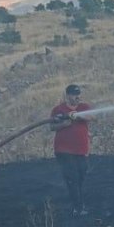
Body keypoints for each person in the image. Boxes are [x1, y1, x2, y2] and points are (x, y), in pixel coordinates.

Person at [50, 84, 94, 215]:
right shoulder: (58, 109)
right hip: (64, 150)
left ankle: (78, 204)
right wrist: (64, 124)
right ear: (68, 95)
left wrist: (78, 115)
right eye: (75, 95)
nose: (78, 97)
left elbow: (92, 117)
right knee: (72, 178)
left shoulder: (83, 107)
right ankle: (78, 208)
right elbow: (51, 126)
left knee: (81, 176)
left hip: (81, 149)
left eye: (79, 94)